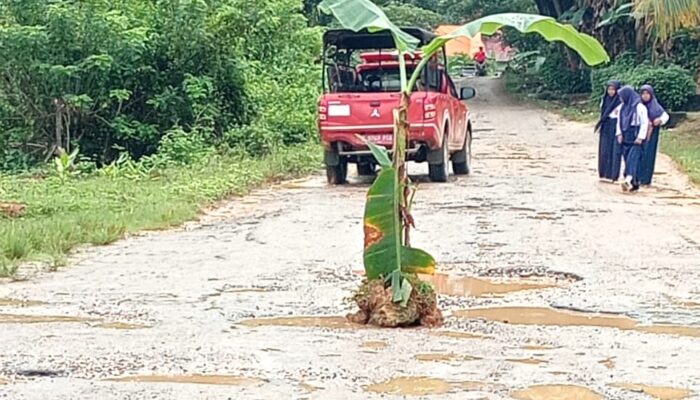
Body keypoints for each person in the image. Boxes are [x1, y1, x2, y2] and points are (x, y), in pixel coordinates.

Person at [615, 86, 649, 192]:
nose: (620, 99)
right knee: (626, 158)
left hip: (636, 135)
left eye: (621, 96)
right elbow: (619, 122)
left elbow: (644, 123)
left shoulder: (639, 107)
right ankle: (635, 183)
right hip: (626, 135)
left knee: (633, 158)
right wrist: (619, 134)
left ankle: (628, 178)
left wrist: (640, 137)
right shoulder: (622, 107)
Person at [638, 84, 670, 186]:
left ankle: (646, 179)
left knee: (649, 155)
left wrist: (659, 120)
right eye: (643, 93)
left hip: (652, 135)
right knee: (638, 154)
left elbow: (665, 116)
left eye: (647, 93)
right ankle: (637, 177)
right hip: (639, 133)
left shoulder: (656, 107)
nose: (645, 96)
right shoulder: (638, 106)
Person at [594, 80, 622, 182]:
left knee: (614, 150)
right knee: (604, 149)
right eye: (609, 89)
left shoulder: (620, 101)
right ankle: (603, 173)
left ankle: (613, 174)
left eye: (613, 89)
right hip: (606, 126)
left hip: (615, 126)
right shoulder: (605, 99)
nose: (611, 92)